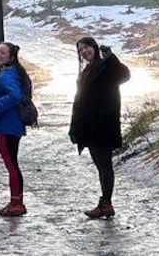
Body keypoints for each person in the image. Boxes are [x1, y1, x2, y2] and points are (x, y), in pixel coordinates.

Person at [68, 36, 131, 219]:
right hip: (88, 126)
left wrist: (111, 57)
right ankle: (105, 202)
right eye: (80, 50)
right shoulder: (87, 70)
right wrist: (75, 127)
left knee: (105, 165)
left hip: (103, 124)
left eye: (86, 47)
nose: (84, 52)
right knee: (100, 165)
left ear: (94, 47)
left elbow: (124, 75)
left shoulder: (105, 67)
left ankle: (106, 203)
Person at [0, 41, 29, 217]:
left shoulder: (6, 75)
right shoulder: (11, 72)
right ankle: (16, 201)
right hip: (12, 125)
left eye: (3, 53)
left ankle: (16, 204)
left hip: (7, 126)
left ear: (11, 57)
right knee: (13, 164)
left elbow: (15, 95)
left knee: (11, 165)